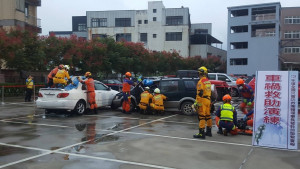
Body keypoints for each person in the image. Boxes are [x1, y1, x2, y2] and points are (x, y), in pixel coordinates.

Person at [193, 66, 212, 139]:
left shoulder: (200, 82)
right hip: (208, 100)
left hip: (202, 100)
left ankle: (201, 133)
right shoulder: (208, 81)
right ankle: (209, 131)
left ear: (200, 73)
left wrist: (196, 103)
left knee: (201, 117)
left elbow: (200, 93)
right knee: (208, 116)